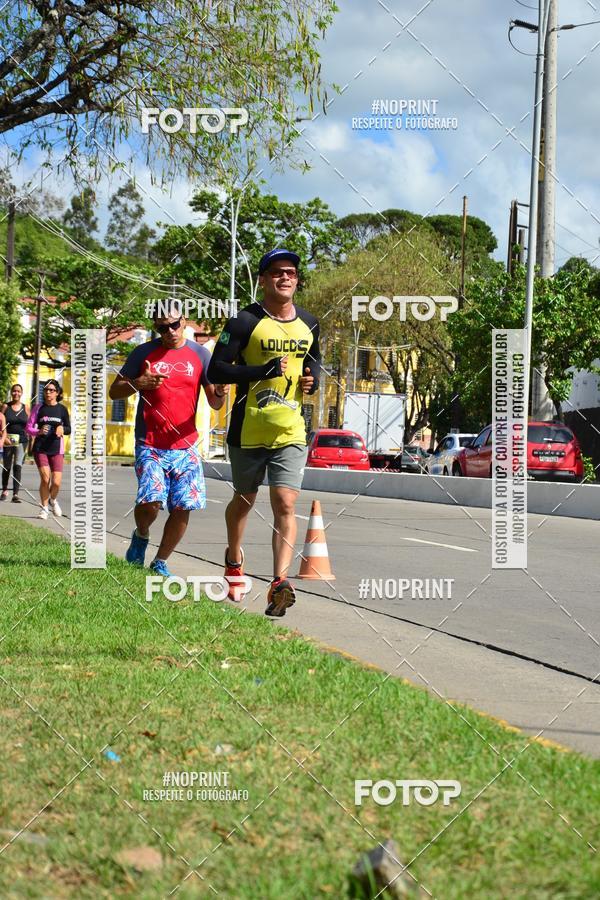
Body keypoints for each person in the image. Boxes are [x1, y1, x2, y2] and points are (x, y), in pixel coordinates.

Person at [207, 248, 321, 617]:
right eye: (276, 272)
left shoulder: (310, 323)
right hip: (248, 428)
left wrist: (312, 380)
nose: (284, 277)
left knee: (286, 503)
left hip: (291, 429)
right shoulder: (243, 322)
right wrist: (262, 370)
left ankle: (278, 583)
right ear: (262, 279)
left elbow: (313, 361)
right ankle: (233, 559)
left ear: (297, 279)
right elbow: (217, 371)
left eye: (290, 272)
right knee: (244, 500)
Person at [109, 305, 228, 577]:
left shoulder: (200, 354)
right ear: (155, 328)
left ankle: (160, 561)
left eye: (174, 324)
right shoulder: (142, 353)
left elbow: (215, 402)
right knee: (151, 502)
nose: (170, 331)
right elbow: (114, 392)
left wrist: (220, 391)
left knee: (183, 506)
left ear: (184, 321)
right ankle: (141, 534)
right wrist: (139, 382)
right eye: (163, 327)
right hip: (150, 443)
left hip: (186, 446)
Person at [26, 379, 71, 519]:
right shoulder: (38, 408)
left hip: (57, 448)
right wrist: (38, 431)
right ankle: (44, 508)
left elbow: (69, 429)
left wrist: (62, 428)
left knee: (56, 482)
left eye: (51, 390)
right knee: (45, 479)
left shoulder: (62, 409)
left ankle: (53, 500)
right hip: (41, 448)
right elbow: (28, 427)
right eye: (46, 390)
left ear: (57, 393)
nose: (48, 392)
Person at [1, 384, 28, 503]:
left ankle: (16, 494)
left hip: (21, 441)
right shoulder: (6, 406)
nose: (16, 393)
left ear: (21, 393)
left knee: (18, 466)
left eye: (18, 391)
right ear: (11, 393)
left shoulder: (26, 407)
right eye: (14, 391)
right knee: (6, 466)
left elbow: (30, 425)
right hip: (7, 440)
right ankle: (4, 490)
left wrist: (31, 440)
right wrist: (3, 437)